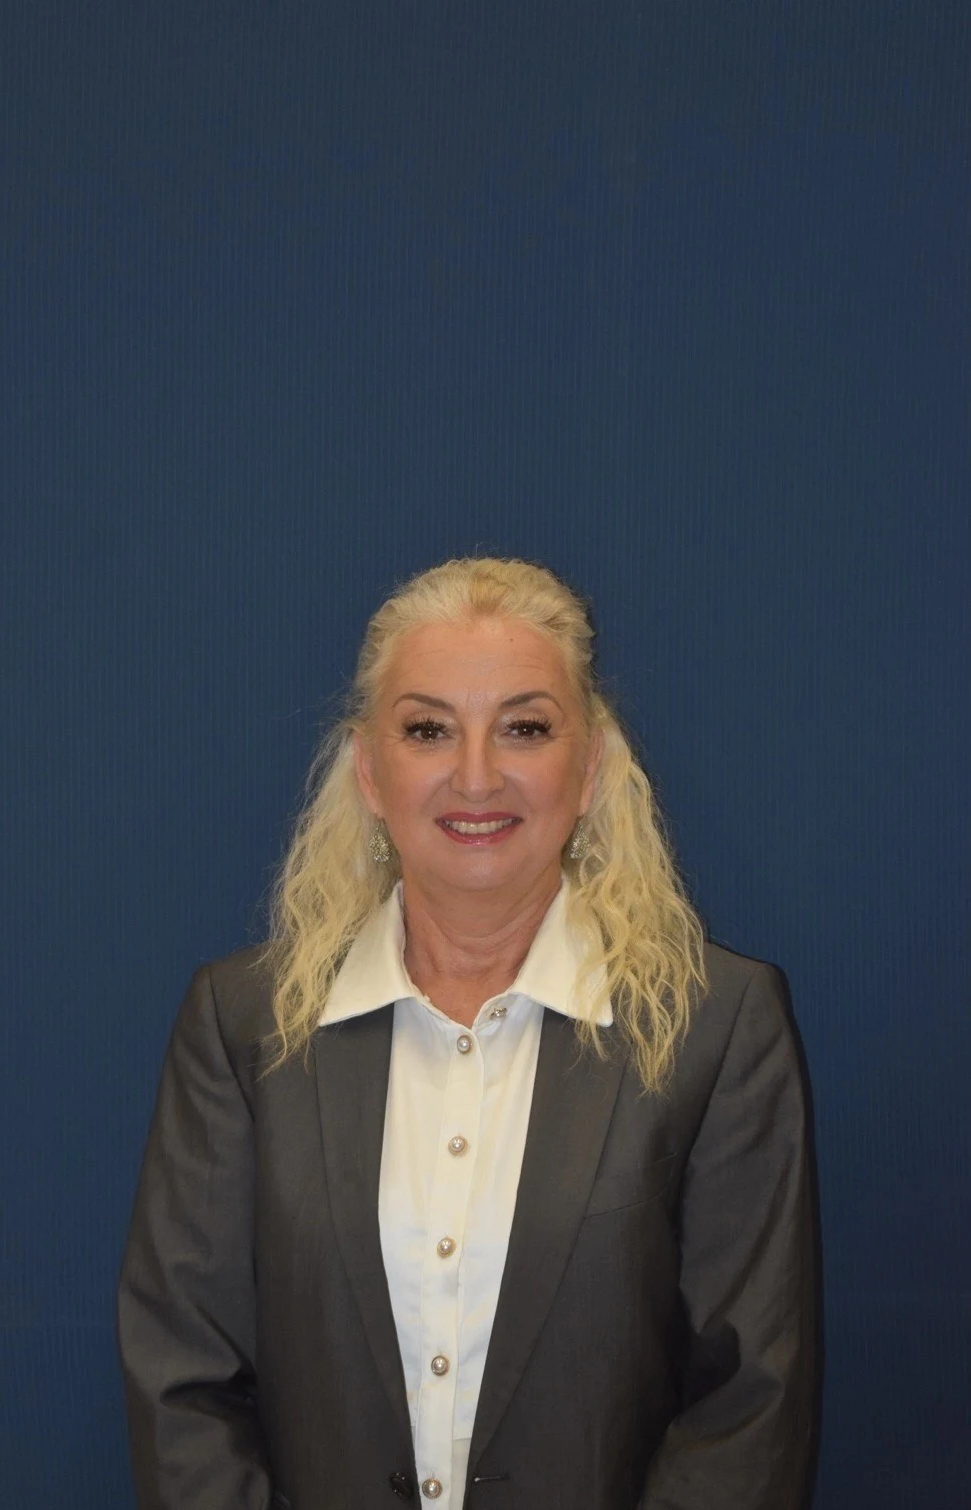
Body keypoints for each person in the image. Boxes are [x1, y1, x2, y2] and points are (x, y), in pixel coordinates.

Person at [117, 556, 816, 1510]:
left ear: (590, 768)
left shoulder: (717, 1026)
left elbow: (749, 1402)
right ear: (370, 770)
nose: (476, 775)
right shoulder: (243, 1026)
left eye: (524, 727)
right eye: (428, 729)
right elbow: (182, 1381)